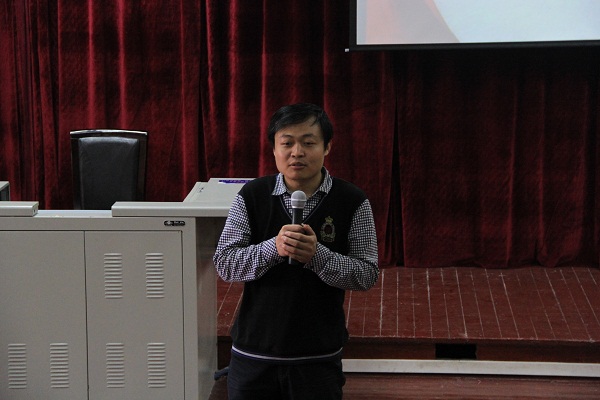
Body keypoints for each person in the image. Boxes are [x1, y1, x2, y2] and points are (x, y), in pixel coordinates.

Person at [213, 102, 379, 399]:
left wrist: (318, 256)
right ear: (274, 149)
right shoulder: (251, 196)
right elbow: (225, 264)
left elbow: (366, 274)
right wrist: (273, 248)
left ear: (327, 147)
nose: (297, 152)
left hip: (318, 353)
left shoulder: (352, 200)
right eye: (287, 143)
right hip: (254, 350)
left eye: (308, 143)